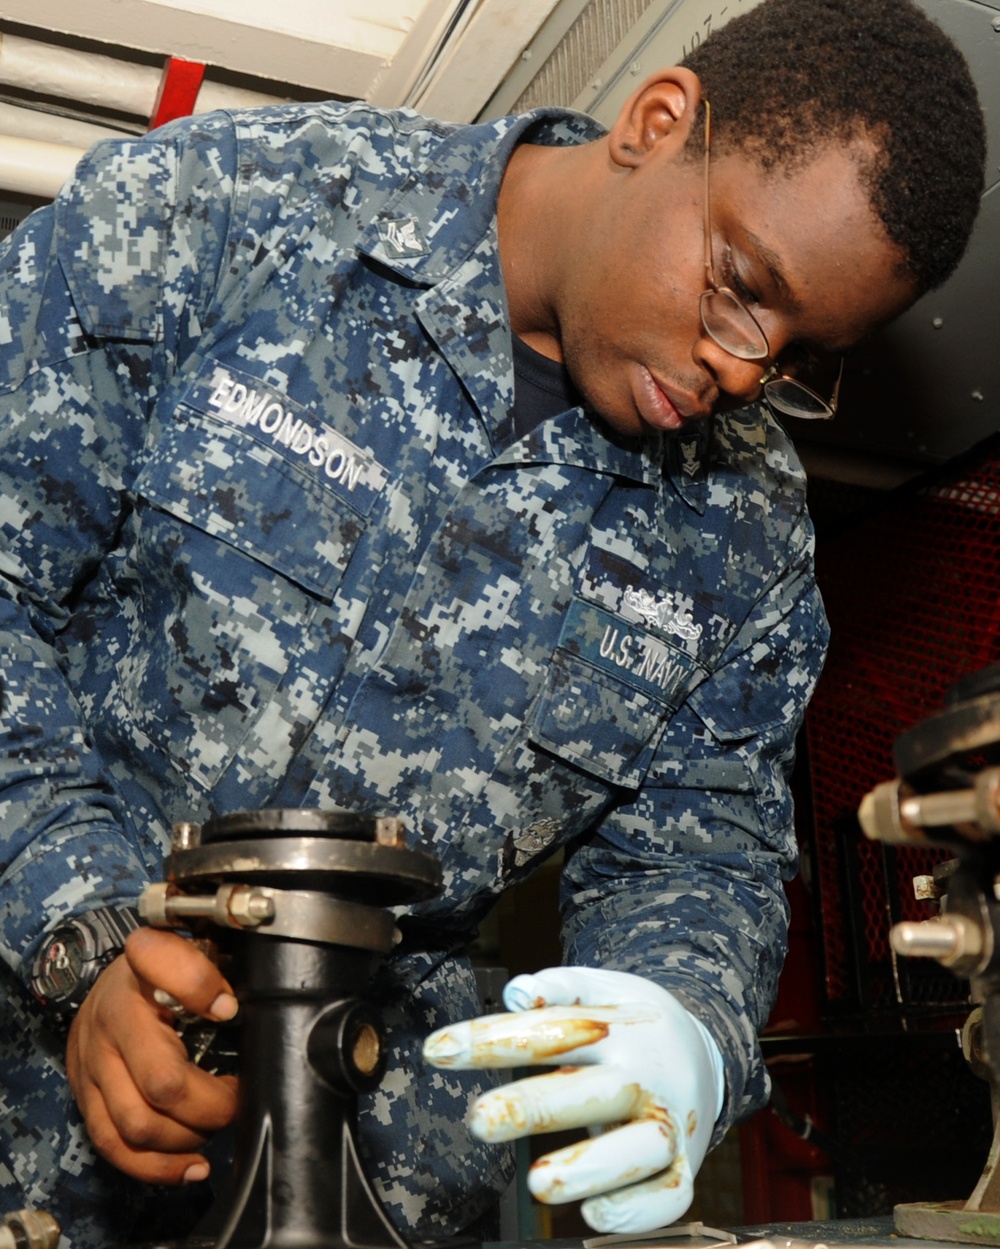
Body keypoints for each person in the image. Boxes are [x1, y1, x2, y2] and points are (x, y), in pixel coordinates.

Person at [0, 0, 984, 1243]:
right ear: (656, 120)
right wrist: (80, 927)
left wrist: (680, 1022)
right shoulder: (229, 214)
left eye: (796, 354)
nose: (743, 371)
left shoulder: (747, 532)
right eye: (745, 292)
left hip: (377, 1170)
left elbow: (700, 854)